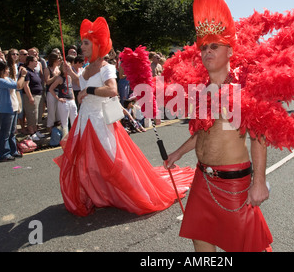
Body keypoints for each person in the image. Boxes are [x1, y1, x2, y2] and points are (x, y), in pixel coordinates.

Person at [164, 0, 273, 252]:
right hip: (203, 180)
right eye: (204, 47)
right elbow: (203, 133)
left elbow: (259, 135)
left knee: (250, 247)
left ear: (230, 51)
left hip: (234, 184)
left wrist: (258, 183)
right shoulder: (202, 90)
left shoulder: (243, 87)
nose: (207, 52)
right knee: (201, 242)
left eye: (215, 46)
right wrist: (177, 153)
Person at [54, 17, 194, 217]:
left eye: (86, 43)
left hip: (100, 122)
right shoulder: (86, 68)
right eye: (82, 43)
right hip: (85, 120)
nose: (82, 47)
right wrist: (72, 74)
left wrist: (90, 90)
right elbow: (83, 85)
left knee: (111, 160)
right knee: (88, 159)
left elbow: (112, 90)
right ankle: (99, 193)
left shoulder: (106, 67)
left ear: (97, 45)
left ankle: (128, 192)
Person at [0, 61, 27, 162]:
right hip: (6, 110)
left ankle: (13, 151)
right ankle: (4, 154)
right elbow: (17, 86)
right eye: (6, 69)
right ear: (1, 70)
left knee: (12, 132)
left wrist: (21, 77)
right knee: (5, 133)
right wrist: (23, 75)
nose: (8, 71)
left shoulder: (7, 79)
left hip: (14, 108)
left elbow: (18, 85)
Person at [48, 58, 78, 137]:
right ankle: (65, 138)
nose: (67, 68)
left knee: (75, 121)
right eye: (65, 67)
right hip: (64, 102)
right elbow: (51, 89)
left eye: (68, 67)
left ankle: (75, 137)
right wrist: (58, 98)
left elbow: (71, 89)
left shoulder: (70, 77)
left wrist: (74, 99)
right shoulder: (59, 78)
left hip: (71, 101)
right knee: (65, 123)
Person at [22, 55, 44, 140]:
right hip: (31, 96)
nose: (37, 63)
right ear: (30, 62)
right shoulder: (27, 72)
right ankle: (31, 132)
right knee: (31, 114)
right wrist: (30, 96)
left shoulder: (34, 71)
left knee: (37, 114)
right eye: (35, 61)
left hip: (38, 95)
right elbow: (26, 85)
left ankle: (35, 130)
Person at [43, 52, 61, 132]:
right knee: (51, 110)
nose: (59, 60)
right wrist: (56, 76)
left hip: (59, 92)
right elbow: (47, 81)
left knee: (58, 111)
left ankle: (57, 127)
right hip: (50, 92)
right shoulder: (47, 69)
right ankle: (49, 127)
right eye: (58, 58)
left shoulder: (59, 68)